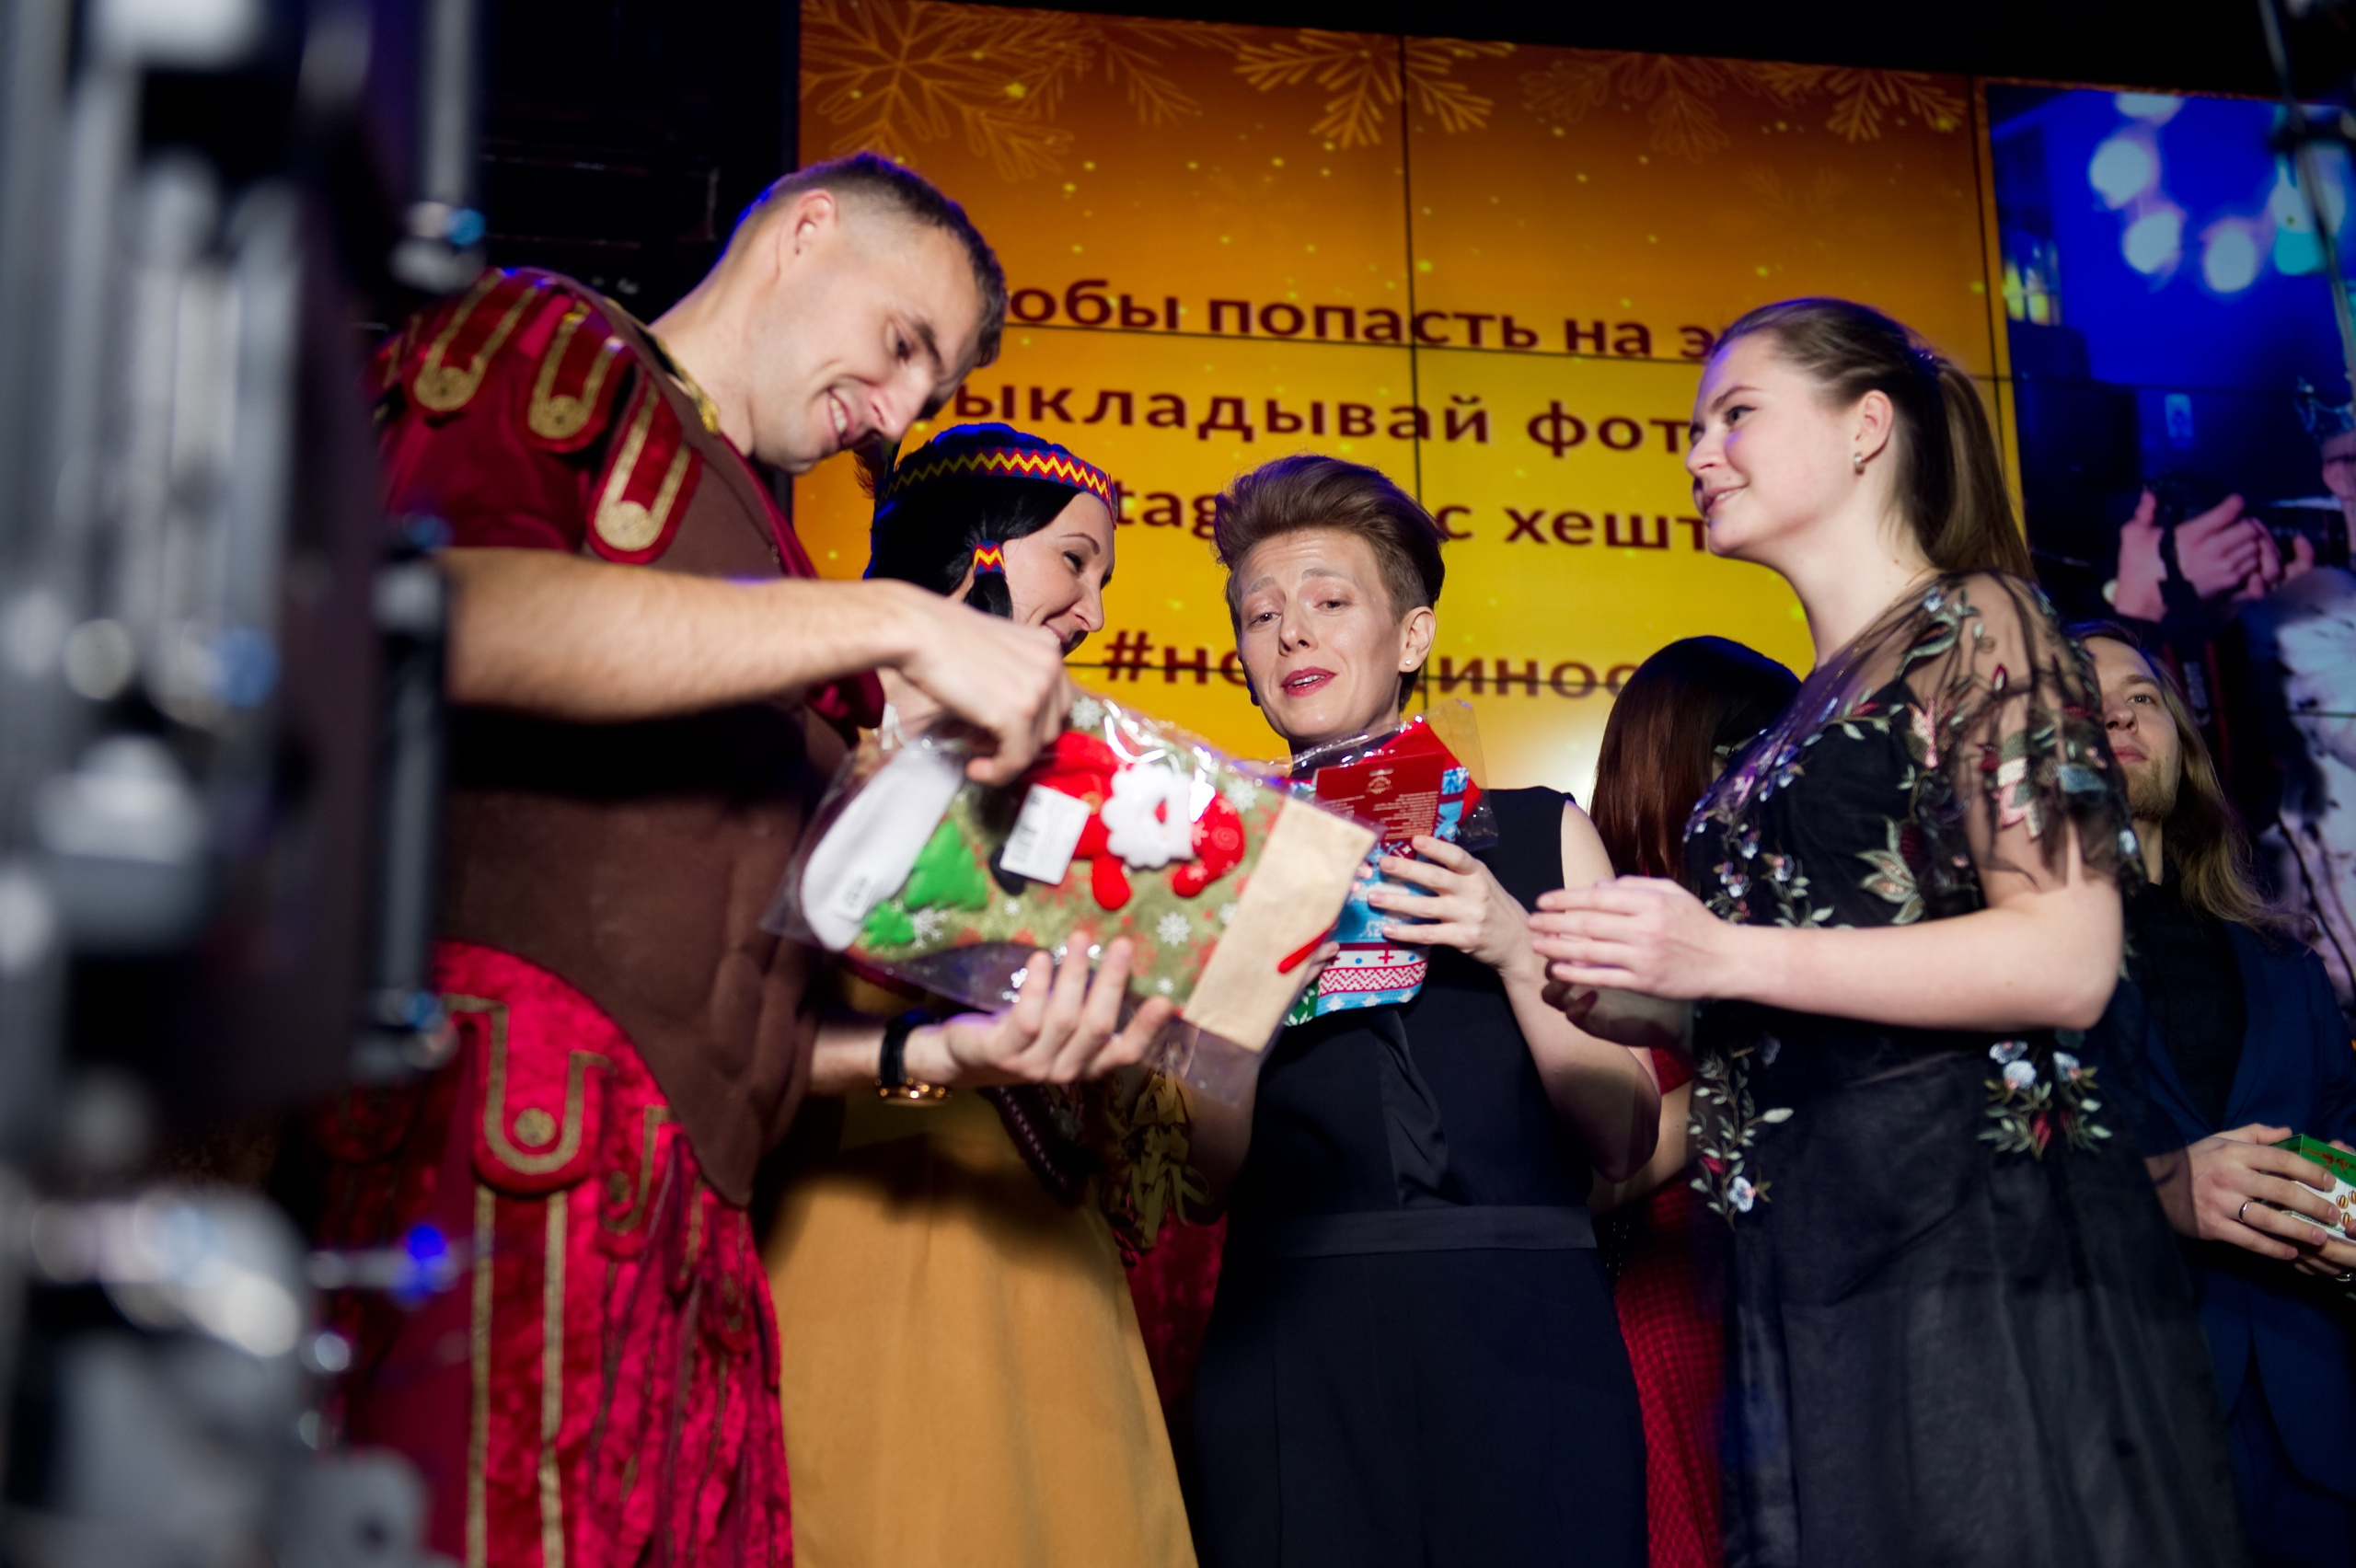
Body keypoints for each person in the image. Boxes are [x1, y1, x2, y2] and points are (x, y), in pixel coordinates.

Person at [304, 155, 1074, 1567]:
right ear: (806, 231)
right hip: (502, 1150)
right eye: (902, 344)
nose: (896, 413)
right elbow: (446, 615)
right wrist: (892, 622)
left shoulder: (772, 566)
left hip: (702, 1230)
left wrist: (934, 1055)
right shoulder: (555, 338)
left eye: (931, 387)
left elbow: (730, 1007)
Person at [1530, 297, 2248, 1567]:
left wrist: (1721, 955)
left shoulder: (1983, 624)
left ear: (1867, 427)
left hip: (1961, 1250)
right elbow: (1818, 986)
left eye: (1735, 414)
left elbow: (2066, 956)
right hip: (1807, 1259)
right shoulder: (1797, 717)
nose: (1697, 454)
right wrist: (1646, 994)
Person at [1182, 454, 1658, 1568]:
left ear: (1411, 637)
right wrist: (1245, 981)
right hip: (1295, 1344)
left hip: (1530, 1332)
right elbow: (1201, 1184)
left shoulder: (1540, 831)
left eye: (1328, 601)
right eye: (1261, 615)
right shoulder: (1211, 866)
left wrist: (1513, 943)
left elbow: (1625, 1135)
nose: (1292, 633)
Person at [759, 424, 1196, 1568]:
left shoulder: (1081, 791)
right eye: (1076, 562)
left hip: (1044, 1237)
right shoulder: (811, 736)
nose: (1093, 611)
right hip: (864, 1228)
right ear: (979, 549)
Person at [2077, 621, 2356, 1568]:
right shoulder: (2010, 974)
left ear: (2183, 739)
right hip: (2128, 1435)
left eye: (2142, 698)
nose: (2121, 716)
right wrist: (2163, 1187)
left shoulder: (2286, 963)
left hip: (2316, 1434)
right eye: (2085, 702)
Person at [1586, 638, 1798, 1568]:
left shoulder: (1794, 925)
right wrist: (1767, 1074)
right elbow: (1581, 1181)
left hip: (1794, 1320)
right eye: (1770, 753)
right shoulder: (1602, 930)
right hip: (1669, 1322)